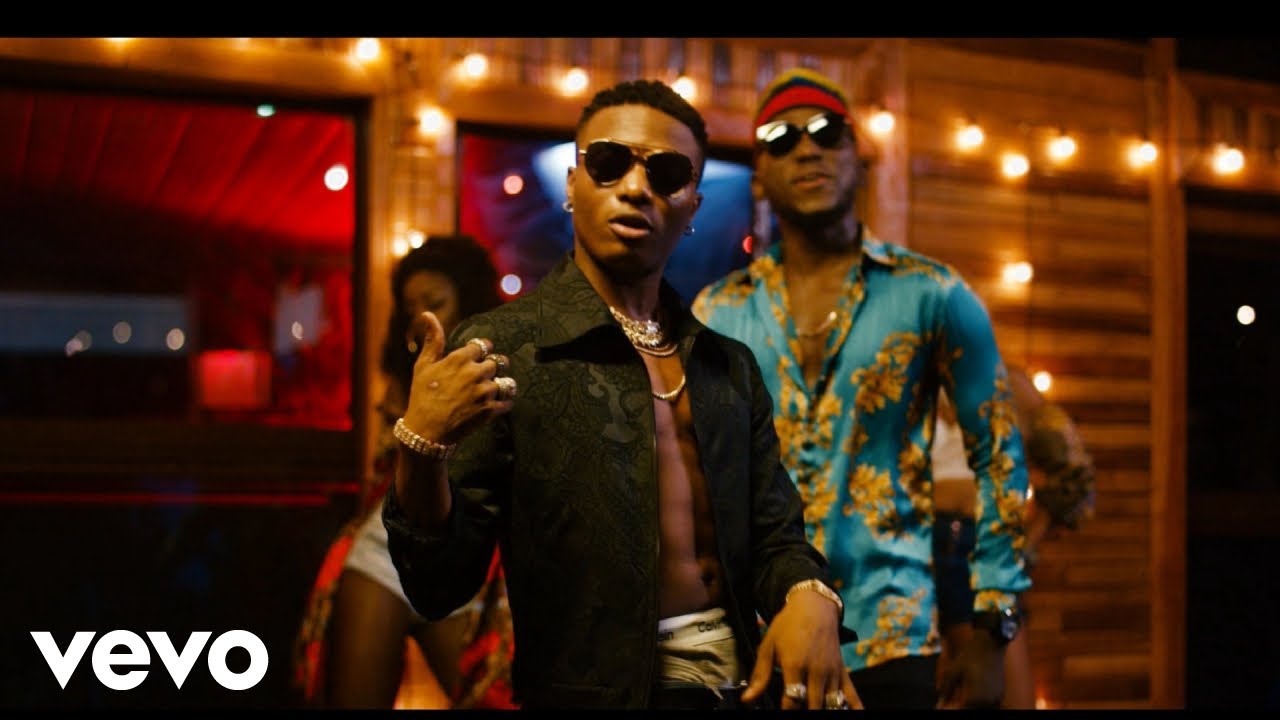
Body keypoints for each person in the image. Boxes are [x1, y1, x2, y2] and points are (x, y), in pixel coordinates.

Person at [381, 78, 860, 711]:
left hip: (740, 691)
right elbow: (438, 585)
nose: (636, 188)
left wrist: (810, 596)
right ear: (572, 186)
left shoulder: (726, 366)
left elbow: (777, 537)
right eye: (609, 163)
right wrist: (420, 445)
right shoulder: (506, 348)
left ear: (692, 205)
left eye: (667, 173)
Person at [692, 67, 1032, 710]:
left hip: (892, 638)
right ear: (759, 173)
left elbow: (1000, 457)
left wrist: (993, 630)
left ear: (858, 155)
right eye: (781, 137)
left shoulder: (933, 293)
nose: (807, 148)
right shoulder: (717, 311)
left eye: (827, 131)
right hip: (759, 638)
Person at [292, 235, 517, 709]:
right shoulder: (405, 376)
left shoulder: (508, 369)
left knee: (492, 695)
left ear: (470, 299)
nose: (423, 316)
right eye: (411, 307)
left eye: (435, 301)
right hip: (386, 547)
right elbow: (385, 473)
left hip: (473, 559)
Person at [932, 366, 1096, 708]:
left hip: (978, 549)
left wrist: (1026, 546)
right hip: (908, 550)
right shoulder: (900, 375)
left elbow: (1073, 476)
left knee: (1004, 692)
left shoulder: (1003, 378)